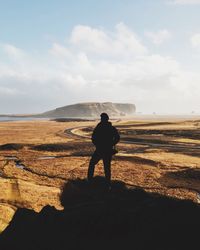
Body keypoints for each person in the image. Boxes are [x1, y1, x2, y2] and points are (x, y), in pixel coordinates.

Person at [87, 113, 120, 186]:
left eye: (102, 118)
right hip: (107, 150)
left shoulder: (99, 127)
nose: (102, 119)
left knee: (92, 164)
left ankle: (90, 180)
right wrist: (112, 144)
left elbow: (93, 138)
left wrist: (98, 145)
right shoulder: (111, 128)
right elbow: (117, 138)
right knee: (107, 167)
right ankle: (108, 184)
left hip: (100, 150)